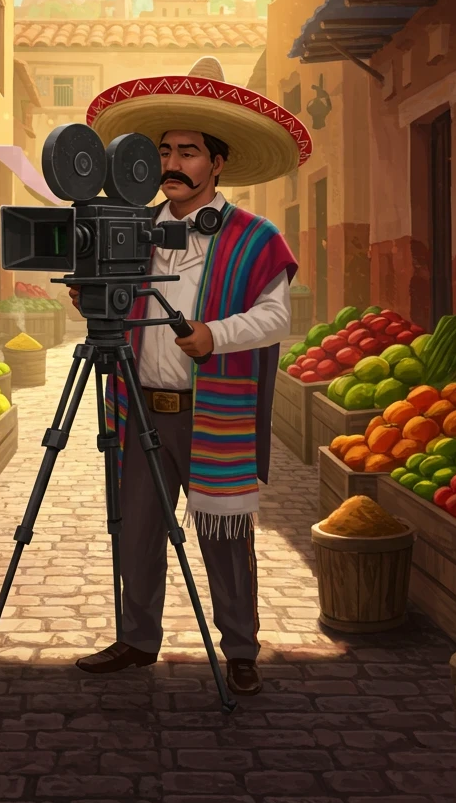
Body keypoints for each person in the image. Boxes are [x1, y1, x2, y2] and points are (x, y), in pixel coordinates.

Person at [74, 56, 311, 696]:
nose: (172, 164)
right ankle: (136, 639)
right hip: (139, 411)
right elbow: (115, 310)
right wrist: (93, 299)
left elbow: (276, 318)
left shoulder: (256, 237)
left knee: (225, 538)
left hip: (212, 414)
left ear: (218, 162)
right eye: (164, 151)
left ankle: (241, 650)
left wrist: (215, 336)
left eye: (188, 152)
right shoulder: (132, 230)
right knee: (135, 532)